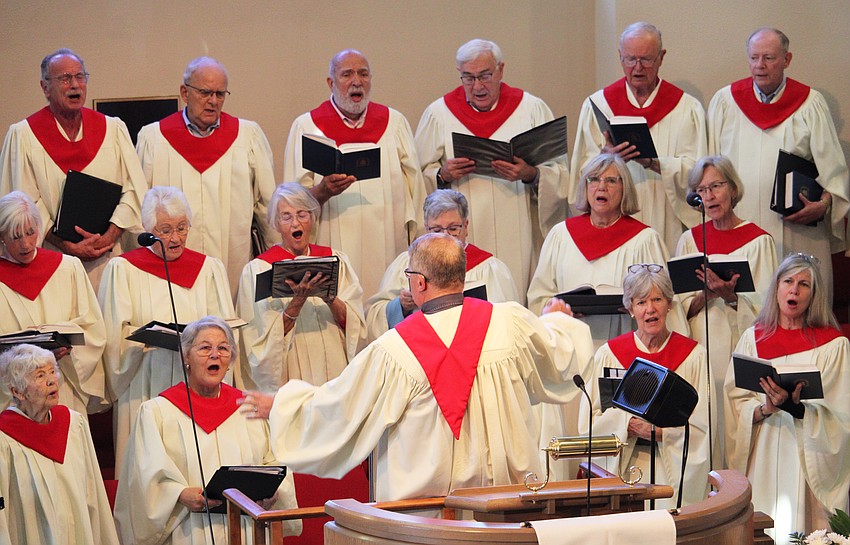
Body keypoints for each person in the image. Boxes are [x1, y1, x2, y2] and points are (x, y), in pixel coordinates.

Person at [240, 233, 594, 503]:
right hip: (504, 508)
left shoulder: (395, 349)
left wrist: (282, 406)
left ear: (419, 282)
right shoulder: (511, 322)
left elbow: (342, 408)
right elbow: (561, 354)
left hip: (424, 519)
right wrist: (557, 320)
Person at [114, 316, 300, 544]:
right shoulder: (158, 412)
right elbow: (144, 478)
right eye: (205, 348)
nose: (215, 354)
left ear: (231, 358)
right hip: (189, 530)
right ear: (186, 357)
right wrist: (179, 494)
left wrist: (273, 492)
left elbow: (276, 463)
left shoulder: (250, 408)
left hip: (247, 529)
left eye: (223, 348)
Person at [415, 39, 569, 298]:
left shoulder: (531, 109)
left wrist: (530, 174)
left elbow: (561, 174)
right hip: (462, 233)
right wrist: (442, 175)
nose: (477, 86)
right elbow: (416, 178)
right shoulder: (439, 114)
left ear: (501, 70)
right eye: (468, 77)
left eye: (485, 76)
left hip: (517, 227)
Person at [98, 186, 236, 475]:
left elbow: (226, 329)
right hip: (145, 381)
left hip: (197, 384)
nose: (175, 238)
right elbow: (114, 337)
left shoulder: (209, 269)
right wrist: (143, 340)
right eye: (165, 230)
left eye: (182, 228)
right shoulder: (123, 269)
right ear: (148, 230)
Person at [707, 28, 849, 304]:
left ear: (787, 59)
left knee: (801, 307)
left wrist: (824, 204)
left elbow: (834, 172)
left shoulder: (810, 103)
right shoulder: (726, 102)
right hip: (739, 227)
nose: (760, 66)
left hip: (797, 231)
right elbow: (709, 167)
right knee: (745, 307)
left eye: (769, 58)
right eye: (754, 57)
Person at [724, 253, 850, 545]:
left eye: (804, 284)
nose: (794, 290)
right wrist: (763, 408)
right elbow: (735, 402)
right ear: (776, 288)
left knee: (801, 528)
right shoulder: (752, 339)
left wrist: (796, 407)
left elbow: (841, 414)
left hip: (806, 453)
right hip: (763, 446)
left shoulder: (833, 345)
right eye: (788, 281)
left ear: (814, 294)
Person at [0, 48, 146, 291]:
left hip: (109, 258)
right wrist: (68, 246)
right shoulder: (24, 135)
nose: (75, 85)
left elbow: (135, 190)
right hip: (55, 261)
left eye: (80, 77)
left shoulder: (113, 130)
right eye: (65, 78)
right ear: (45, 87)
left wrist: (109, 237)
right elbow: (23, 203)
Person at [283, 49, 426, 298]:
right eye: (347, 74)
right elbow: (290, 201)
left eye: (363, 74)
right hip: (332, 241)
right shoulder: (307, 127)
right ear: (331, 82)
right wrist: (322, 192)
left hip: (387, 245)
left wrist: (420, 243)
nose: (356, 81)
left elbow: (416, 189)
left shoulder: (394, 123)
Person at [136, 56, 278, 296]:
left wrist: (275, 258)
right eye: (204, 93)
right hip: (168, 269)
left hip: (233, 262)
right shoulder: (154, 138)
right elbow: (140, 209)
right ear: (184, 92)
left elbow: (267, 208)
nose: (213, 101)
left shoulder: (247, 137)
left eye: (220, 94)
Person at [674, 155, 777, 466]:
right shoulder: (689, 240)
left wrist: (732, 298)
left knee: (731, 423)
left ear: (733, 189)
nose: (709, 196)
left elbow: (770, 308)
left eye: (716, 187)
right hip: (699, 349)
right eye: (701, 190)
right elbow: (676, 306)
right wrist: (706, 295)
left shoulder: (758, 242)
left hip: (737, 347)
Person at [580, 265, 710, 508]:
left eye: (657, 299)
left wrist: (663, 434)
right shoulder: (610, 355)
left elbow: (704, 425)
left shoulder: (694, 356)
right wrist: (626, 425)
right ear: (630, 308)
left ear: (669, 304)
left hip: (671, 468)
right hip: (625, 467)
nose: (650, 309)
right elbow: (590, 418)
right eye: (641, 302)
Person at [569, 22, 706, 253]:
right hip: (614, 221)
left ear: (661, 57)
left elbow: (699, 172)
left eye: (646, 59)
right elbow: (581, 171)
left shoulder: (686, 108)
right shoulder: (598, 105)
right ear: (620, 57)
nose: (637, 68)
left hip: (667, 220)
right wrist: (605, 159)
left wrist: (653, 163)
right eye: (630, 59)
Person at [528, 153, 688, 343]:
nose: (601, 186)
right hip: (571, 343)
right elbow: (539, 295)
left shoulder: (645, 239)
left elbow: (664, 299)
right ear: (585, 187)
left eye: (611, 181)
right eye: (594, 179)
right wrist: (559, 308)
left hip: (625, 342)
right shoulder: (561, 235)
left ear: (624, 189)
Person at [236, 182, 366, 391]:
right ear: (276, 224)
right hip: (289, 375)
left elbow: (355, 326)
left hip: (334, 369)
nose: (295, 223)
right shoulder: (258, 270)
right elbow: (256, 337)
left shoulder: (335, 260)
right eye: (286, 217)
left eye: (302, 214)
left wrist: (329, 297)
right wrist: (296, 303)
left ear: (313, 218)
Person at [0, 190, 107, 416]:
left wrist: (69, 351)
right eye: (16, 236)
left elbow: (93, 328)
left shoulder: (68, 268)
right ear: (2, 237)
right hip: (12, 394)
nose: (27, 244)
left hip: (61, 385)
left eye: (31, 232)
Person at [0, 344, 119, 545]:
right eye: (39, 376)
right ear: (17, 391)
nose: (51, 381)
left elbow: (93, 491)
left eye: (52, 372)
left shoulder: (73, 424)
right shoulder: (5, 437)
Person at [365, 189, 519, 341]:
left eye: (453, 229)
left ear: (466, 226)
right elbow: (374, 316)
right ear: (426, 228)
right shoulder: (407, 263)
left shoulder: (490, 268)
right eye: (437, 230)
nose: (445, 236)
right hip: (420, 352)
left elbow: (509, 321)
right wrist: (401, 306)